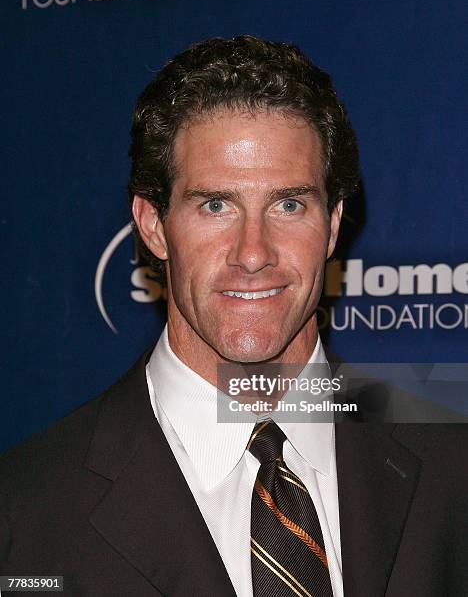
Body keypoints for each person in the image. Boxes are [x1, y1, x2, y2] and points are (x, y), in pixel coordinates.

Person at [0, 36, 466, 597]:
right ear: (152, 224)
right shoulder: (24, 513)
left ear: (334, 222)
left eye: (288, 204)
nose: (253, 253)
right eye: (215, 205)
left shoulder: (453, 466)